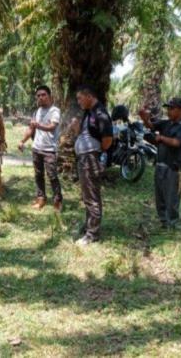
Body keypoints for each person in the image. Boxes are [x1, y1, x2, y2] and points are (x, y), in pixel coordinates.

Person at [138, 97, 181, 229]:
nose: (169, 111)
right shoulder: (165, 123)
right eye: (168, 108)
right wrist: (144, 117)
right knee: (160, 195)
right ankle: (163, 221)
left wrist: (161, 137)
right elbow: (150, 125)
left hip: (173, 168)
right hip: (161, 164)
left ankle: (172, 223)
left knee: (172, 197)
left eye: (172, 108)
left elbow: (177, 142)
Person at [71, 85, 113, 245]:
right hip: (84, 158)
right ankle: (89, 224)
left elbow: (108, 140)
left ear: (89, 96)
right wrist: (76, 128)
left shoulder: (100, 114)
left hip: (90, 159)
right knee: (87, 195)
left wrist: (95, 154)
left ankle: (92, 234)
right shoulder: (89, 113)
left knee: (92, 196)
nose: (79, 102)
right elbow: (84, 136)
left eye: (80, 98)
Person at [18, 85, 63, 211]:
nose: (41, 98)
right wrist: (22, 141)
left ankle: (58, 200)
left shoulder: (55, 111)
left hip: (49, 150)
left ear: (49, 96)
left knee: (52, 175)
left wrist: (37, 125)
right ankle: (41, 198)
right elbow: (30, 129)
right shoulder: (36, 111)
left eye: (43, 95)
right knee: (38, 175)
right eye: (38, 96)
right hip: (36, 148)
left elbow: (52, 126)